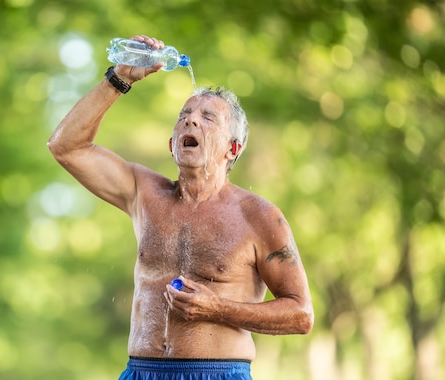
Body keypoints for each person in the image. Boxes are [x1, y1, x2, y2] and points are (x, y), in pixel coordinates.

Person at [48, 35, 314, 380]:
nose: (191, 121)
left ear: (232, 149)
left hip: (219, 373)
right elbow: (66, 146)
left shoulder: (259, 216)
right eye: (184, 116)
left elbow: (300, 314)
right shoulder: (142, 193)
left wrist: (218, 309)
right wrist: (121, 77)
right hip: (140, 371)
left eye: (208, 118)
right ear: (172, 144)